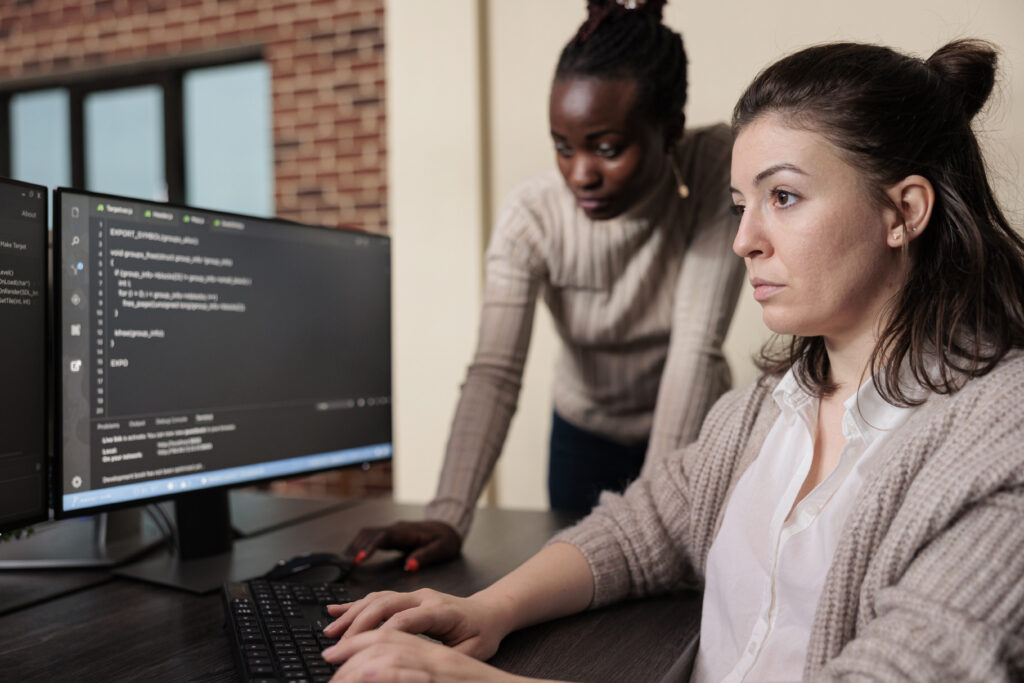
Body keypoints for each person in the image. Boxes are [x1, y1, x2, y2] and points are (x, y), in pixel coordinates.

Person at [321, 37, 1024, 681]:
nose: (744, 238)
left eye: (782, 197)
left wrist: (466, 677)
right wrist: (486, 610)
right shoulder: (764, 405)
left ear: (904, 210)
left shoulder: (1001, 438)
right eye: (739, 204)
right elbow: (646, 525)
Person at [346, 0, 744, 570]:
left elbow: (695, 349)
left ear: (670, 130)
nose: (581, 173)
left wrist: (653, 524)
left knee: (669, 591)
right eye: (563, 146)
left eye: (607, 148)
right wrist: (448, 512)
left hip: (692, 426)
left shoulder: (716, 170)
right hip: (583, 436)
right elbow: (494, 372)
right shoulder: (531, 218)